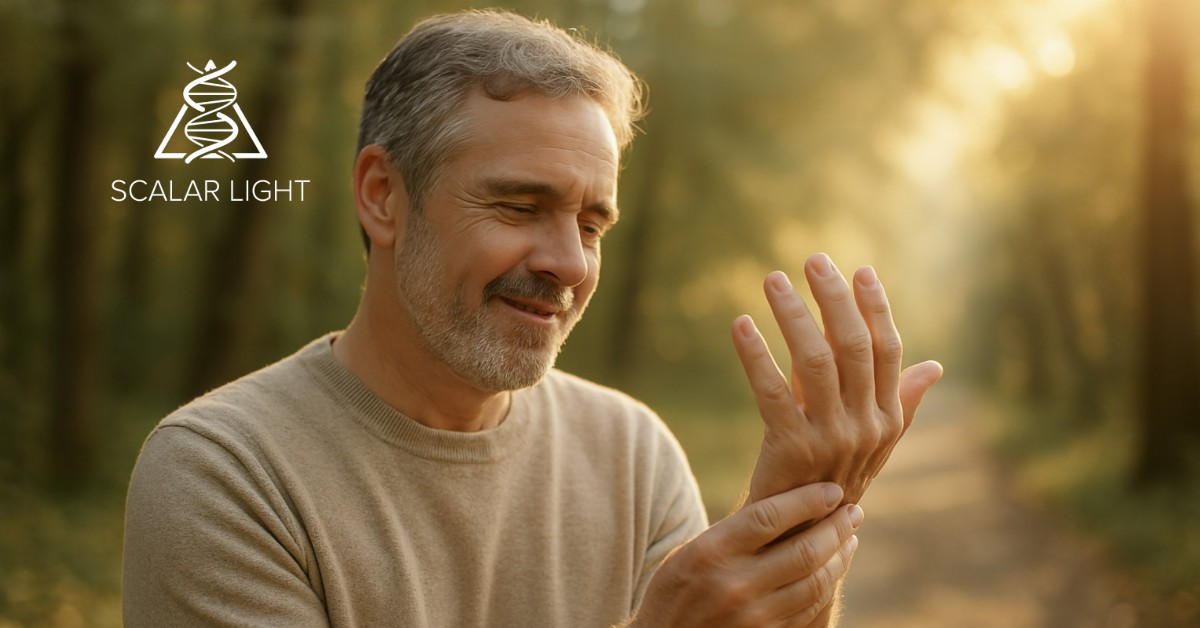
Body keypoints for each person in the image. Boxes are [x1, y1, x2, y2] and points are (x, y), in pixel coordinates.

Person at [122, 9, 942, 627]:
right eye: (520, 205)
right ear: (382, 195)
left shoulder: (632, 452)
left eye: (591, 225)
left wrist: (795, 555)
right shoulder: (225, 474)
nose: (570, 263)